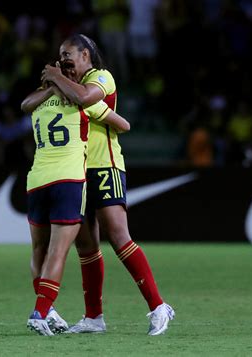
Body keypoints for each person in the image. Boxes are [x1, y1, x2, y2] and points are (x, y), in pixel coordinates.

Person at [40, 33, 175, 335]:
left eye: (68, 54)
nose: (63, 60)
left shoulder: (102, 77)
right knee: (86, 246)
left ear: (86, 54)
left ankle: (158, 306)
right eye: (60, 55)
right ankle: (93, 318)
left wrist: (55, 78)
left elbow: (87, 98)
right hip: (77, 172)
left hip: (106, 167)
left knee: (119, 237)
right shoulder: (65, 86)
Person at [21, 62, 130, 336]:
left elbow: (25, 103)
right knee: (59, 252)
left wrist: (49, 87)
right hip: (68, 181)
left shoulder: (38, 104)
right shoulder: (81, 102)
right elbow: (123, 125)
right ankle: (41, 311)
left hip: (36, 180)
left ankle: (50, 311)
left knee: (38, 250)